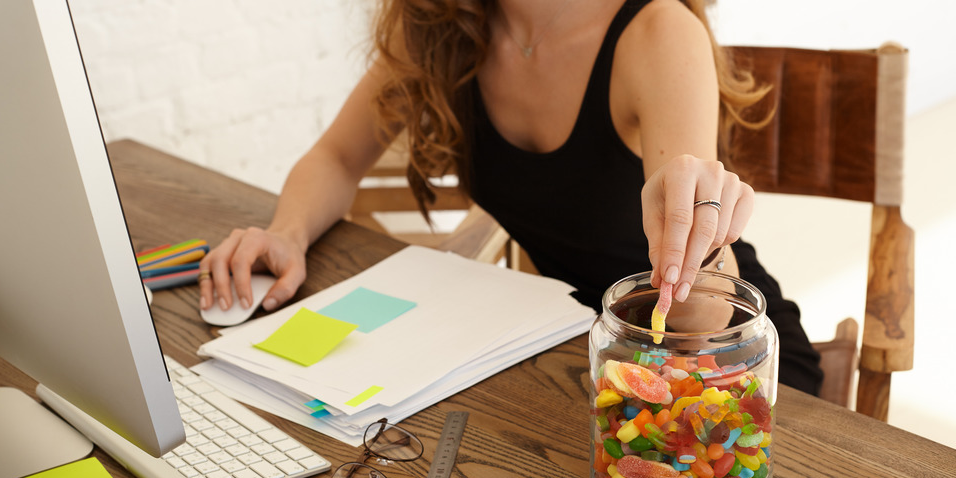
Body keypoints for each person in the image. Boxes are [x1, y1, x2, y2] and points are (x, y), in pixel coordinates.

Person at [197, 0, 824, 395]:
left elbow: (704, 320)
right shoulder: (443, 26)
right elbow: (337, 157)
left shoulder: (658, 31)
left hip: (721, 367)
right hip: (576, 349)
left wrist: (698, 243)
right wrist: (286, 232)